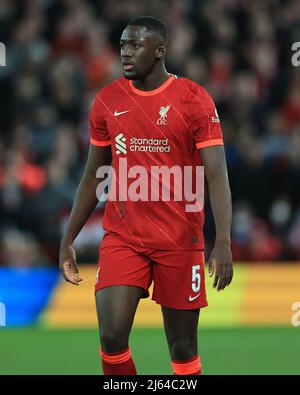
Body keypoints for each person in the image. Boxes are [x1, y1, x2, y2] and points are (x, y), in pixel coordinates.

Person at [59, 16, 233, 376]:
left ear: (159, 51)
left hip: (179, 239)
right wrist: (68, 238)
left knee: (183, 348)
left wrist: (223, 240)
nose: (125, 52)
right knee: (111, 337)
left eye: (135, 46)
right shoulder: (107, 101)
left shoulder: (194, 100)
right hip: (124, 237)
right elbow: (93, 175)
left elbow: (216, 174)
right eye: (123, 44)